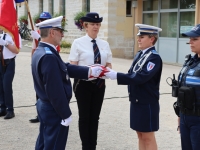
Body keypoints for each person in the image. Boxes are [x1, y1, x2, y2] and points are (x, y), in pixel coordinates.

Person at [32, 16, 103, 150]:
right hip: (54, 109)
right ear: (52, 32)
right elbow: (54, 90)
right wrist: (65, 114)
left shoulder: (42, 51)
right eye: (60, 31)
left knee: (44, 143)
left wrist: (89, 71)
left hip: (45, 106)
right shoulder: (49, 56)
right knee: (54, 145)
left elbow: (64, 67)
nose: (63, 35)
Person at [105, 24, 162, 150]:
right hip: (137, 100)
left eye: (142, 37)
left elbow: (141, 77)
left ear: (152, 39)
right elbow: (132, 74)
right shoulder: (140, 54)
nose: (138, 39)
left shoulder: (154, 58)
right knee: (140, 134)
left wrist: (116, 76)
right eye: (138, 37)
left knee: (148, 137)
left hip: (147, 102)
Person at [68, 12, 112, 150]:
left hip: (99, 85)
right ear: (85, 26)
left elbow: (109, 64)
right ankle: (86, 146)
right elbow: (72, 67)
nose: (96, 27)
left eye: (98, 24)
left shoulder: (104, 44)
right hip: (83, 85)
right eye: (93, 24)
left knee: (95, 118)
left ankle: (92, 146)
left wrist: (107, 71)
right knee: (85, 117)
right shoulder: (78, 43)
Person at [29, 11, 61, 123]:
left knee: (49, 91)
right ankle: (39, 114)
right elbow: (34, 50)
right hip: (39, 64)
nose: (43, 22)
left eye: (45, 20)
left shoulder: (53, 34)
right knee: (39, 92)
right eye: (41, 20)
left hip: (49, 64)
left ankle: (52, 112)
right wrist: (33, 63)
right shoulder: (37, 32)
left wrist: (39, 38)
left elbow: (55, 49)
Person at [173, 24, 200, 150]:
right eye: (190, 39)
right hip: (185, 117)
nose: (190, 42)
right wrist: (180, 115)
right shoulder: (190, 62)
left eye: (195, 39)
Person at [0, 30, 21, 119]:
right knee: (1, 86)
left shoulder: (15, 35)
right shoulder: (2, 35)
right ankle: (3, 108)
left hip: (9, 63)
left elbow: (16, 51)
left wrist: (5, 43)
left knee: (6, 86)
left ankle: (10, 110)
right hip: (1, 62)